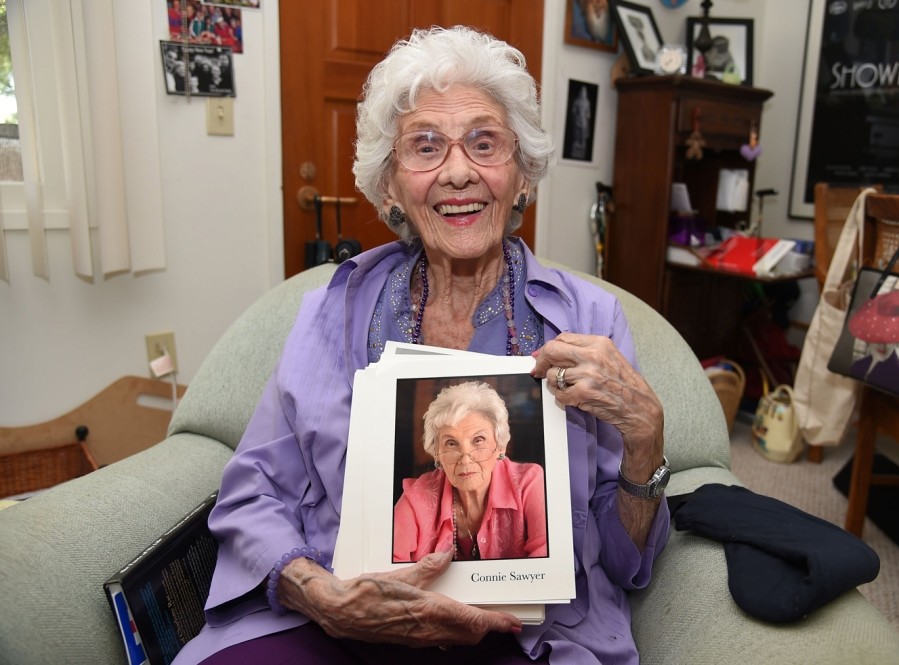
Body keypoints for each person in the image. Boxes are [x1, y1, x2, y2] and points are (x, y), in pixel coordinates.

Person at [174, 25, 669, 665]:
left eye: (484, 143)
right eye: (426, 147)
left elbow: (626, 564)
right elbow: (253, 491)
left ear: (522, 176)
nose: (458, 171)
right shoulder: (331, 312)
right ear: (390, 187)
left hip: (523, 635)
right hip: (342, 615)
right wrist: (317, 592)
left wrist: (646, 436)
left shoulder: (592, 320)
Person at [393, 381, 547, 563]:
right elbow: (387, 576)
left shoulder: (529, 483)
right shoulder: (416, 498)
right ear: (436, 452)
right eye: (451, 443)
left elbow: (547, 569)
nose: (465, 459)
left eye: (478, 440)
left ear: (500, 445)